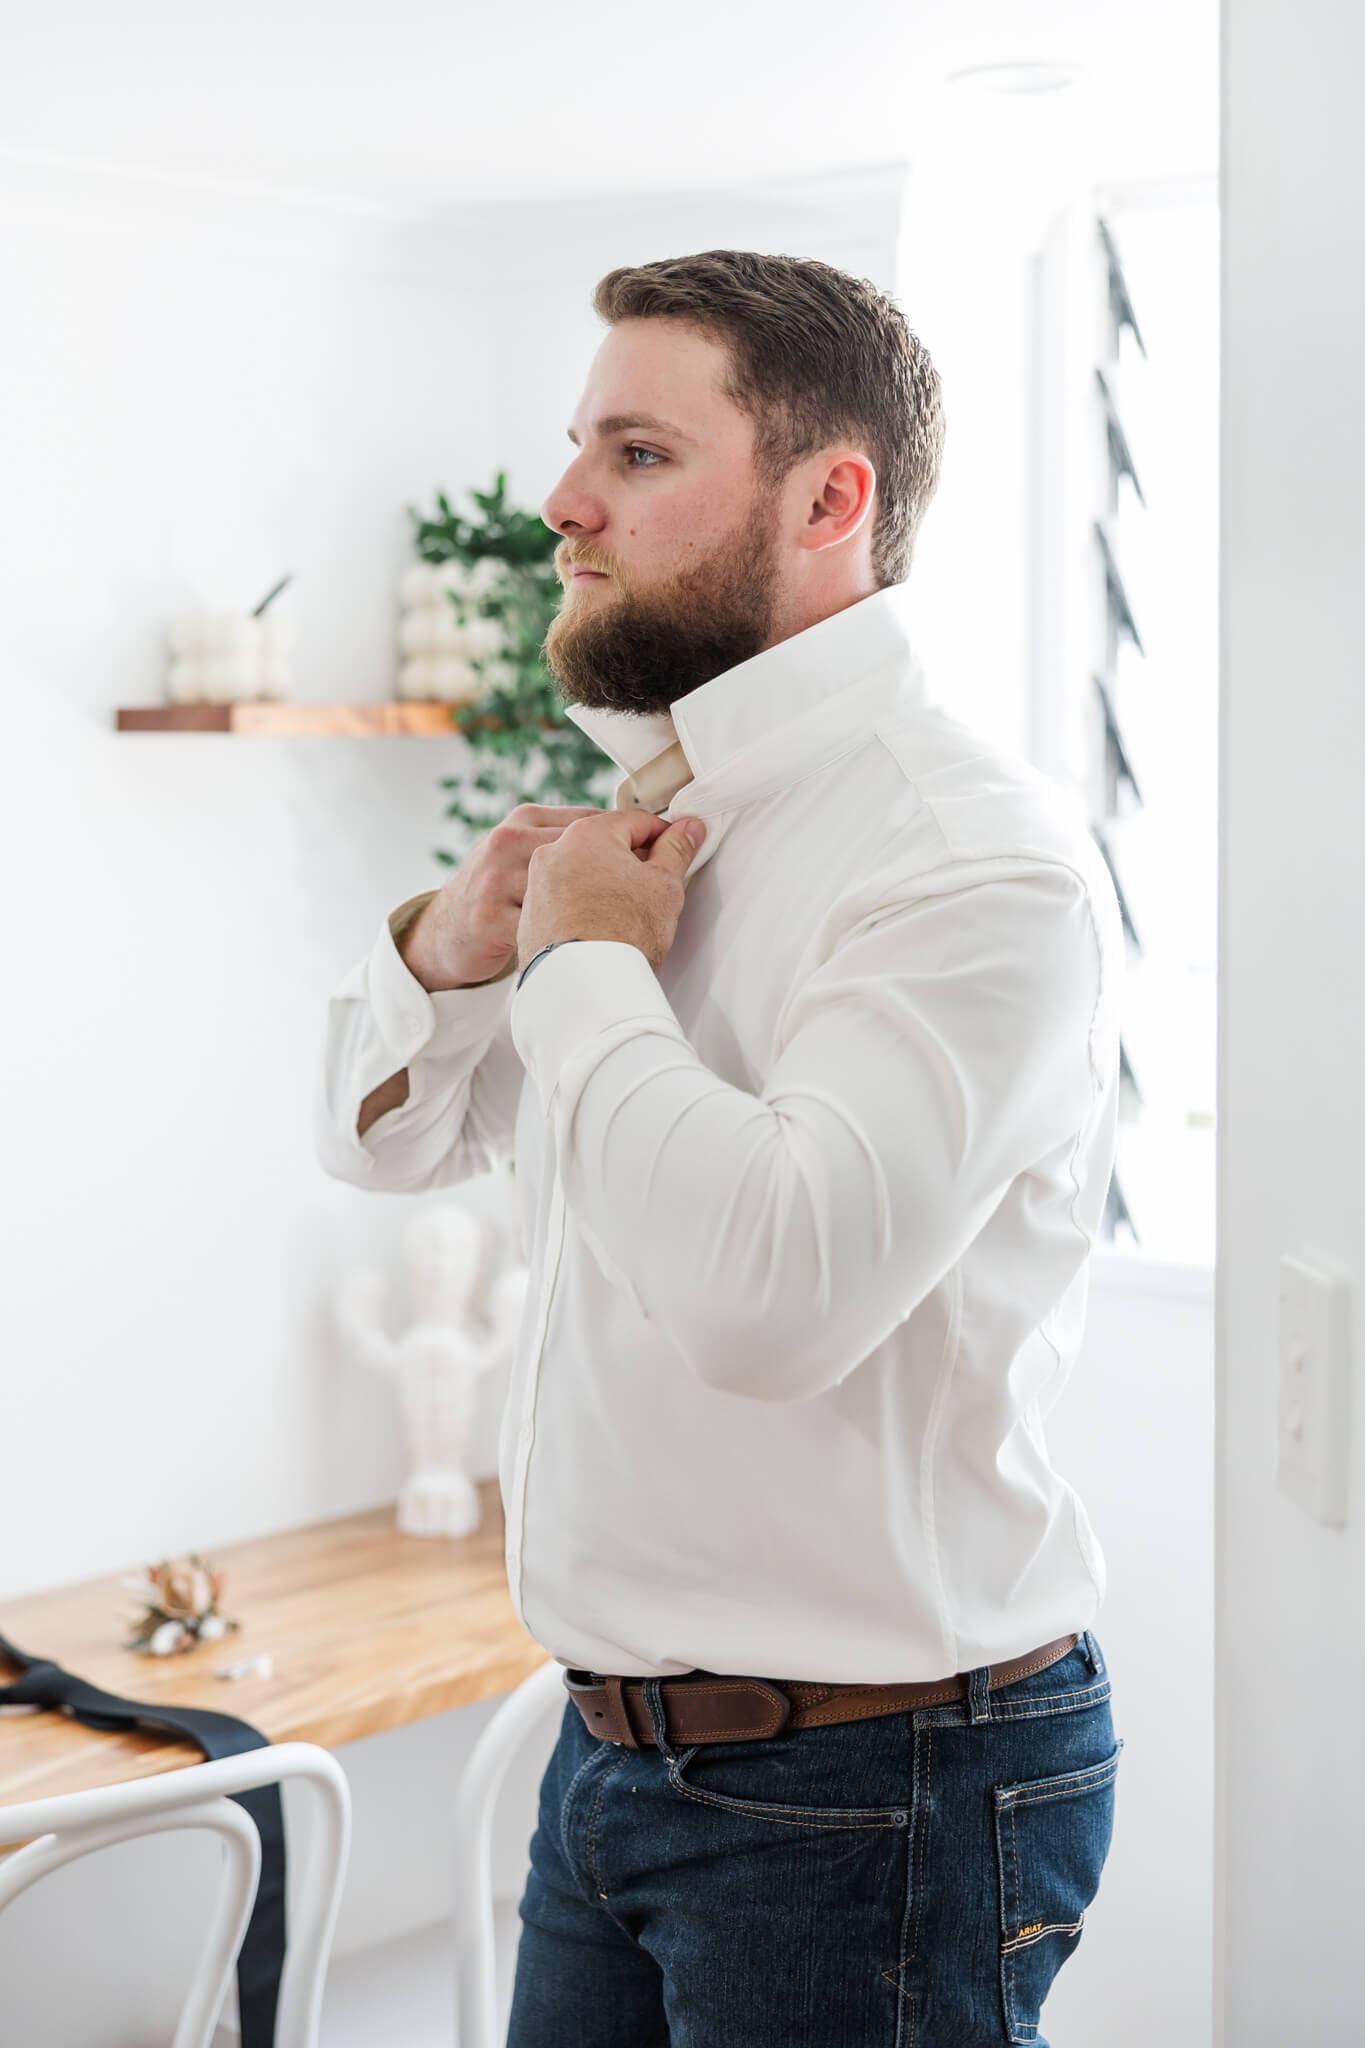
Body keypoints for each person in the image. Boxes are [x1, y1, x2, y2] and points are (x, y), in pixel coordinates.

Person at [314, 248, 1125, 2047]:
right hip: (616, 1766)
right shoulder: (656, 821)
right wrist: (452, 964)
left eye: (637, 452)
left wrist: (590, 960)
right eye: (575, 447)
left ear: (829, 496)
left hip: (876, 1790)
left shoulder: (965, 861)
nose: (561, 502)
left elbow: (769, 1300)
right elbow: (384, 1155)